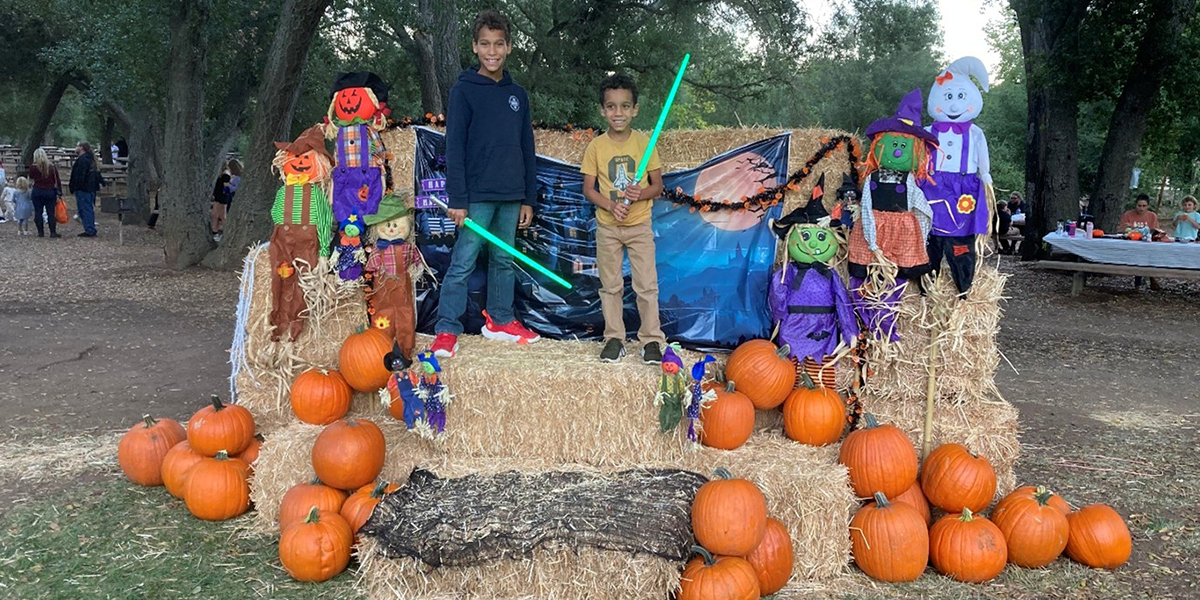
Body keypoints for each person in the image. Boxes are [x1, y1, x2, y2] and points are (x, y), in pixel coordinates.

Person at [430, 9, 541, 358]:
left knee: (504, 261)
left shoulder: (517, 95)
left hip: (511, 195)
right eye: (484, 44)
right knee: (463, 260)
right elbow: (455, 148)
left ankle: (500, 320)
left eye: (499, 44)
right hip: (476, 196)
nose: (492, 51)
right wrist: (457, 199)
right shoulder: (464, 91)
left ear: (508, 47)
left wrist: (528, 198)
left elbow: (527, 147)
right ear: (475, 47)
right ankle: (447, 327)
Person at [581, 73, 665, 364]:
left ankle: (651, 341)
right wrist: (610, 205)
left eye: (625, 106)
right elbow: (588, 189)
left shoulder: (645, 143)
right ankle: (614, 338)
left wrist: (639, 193)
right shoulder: (596, 147)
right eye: (612, 107)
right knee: (611, 286)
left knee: (646, 285)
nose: (619, 113)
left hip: (639, 226)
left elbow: (658, 187)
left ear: (635, 109)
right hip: (607, 228)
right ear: (603, 110)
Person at [68, 141, 102, 237]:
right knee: (87, 208)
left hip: (84, 189)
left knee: (85, 209)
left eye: (77, 146)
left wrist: (75, 186)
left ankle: (89, 230)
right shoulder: (90, 159)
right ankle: (89, 227)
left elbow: (79, 176)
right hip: (90, 188)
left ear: (81, 147)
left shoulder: (83, 160)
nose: (76, 148)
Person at [27, 148, 62, 238]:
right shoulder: (52, 167)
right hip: (50, 191)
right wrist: (59, 192)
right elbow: (57, 180)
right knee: (51, 212)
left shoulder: (33, 167)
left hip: (37, 190)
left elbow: (30, 179)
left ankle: (40, 232)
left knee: (38, 212)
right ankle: (53, 232)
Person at [210, 162, 232, 241]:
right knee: (215, 215)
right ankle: (215, 232)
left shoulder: (226, 174)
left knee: (222, 216)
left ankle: (226, 233)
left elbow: (226, 188)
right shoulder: (221, 174)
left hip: (221, 199)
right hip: (218, 198)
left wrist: (222, 194)